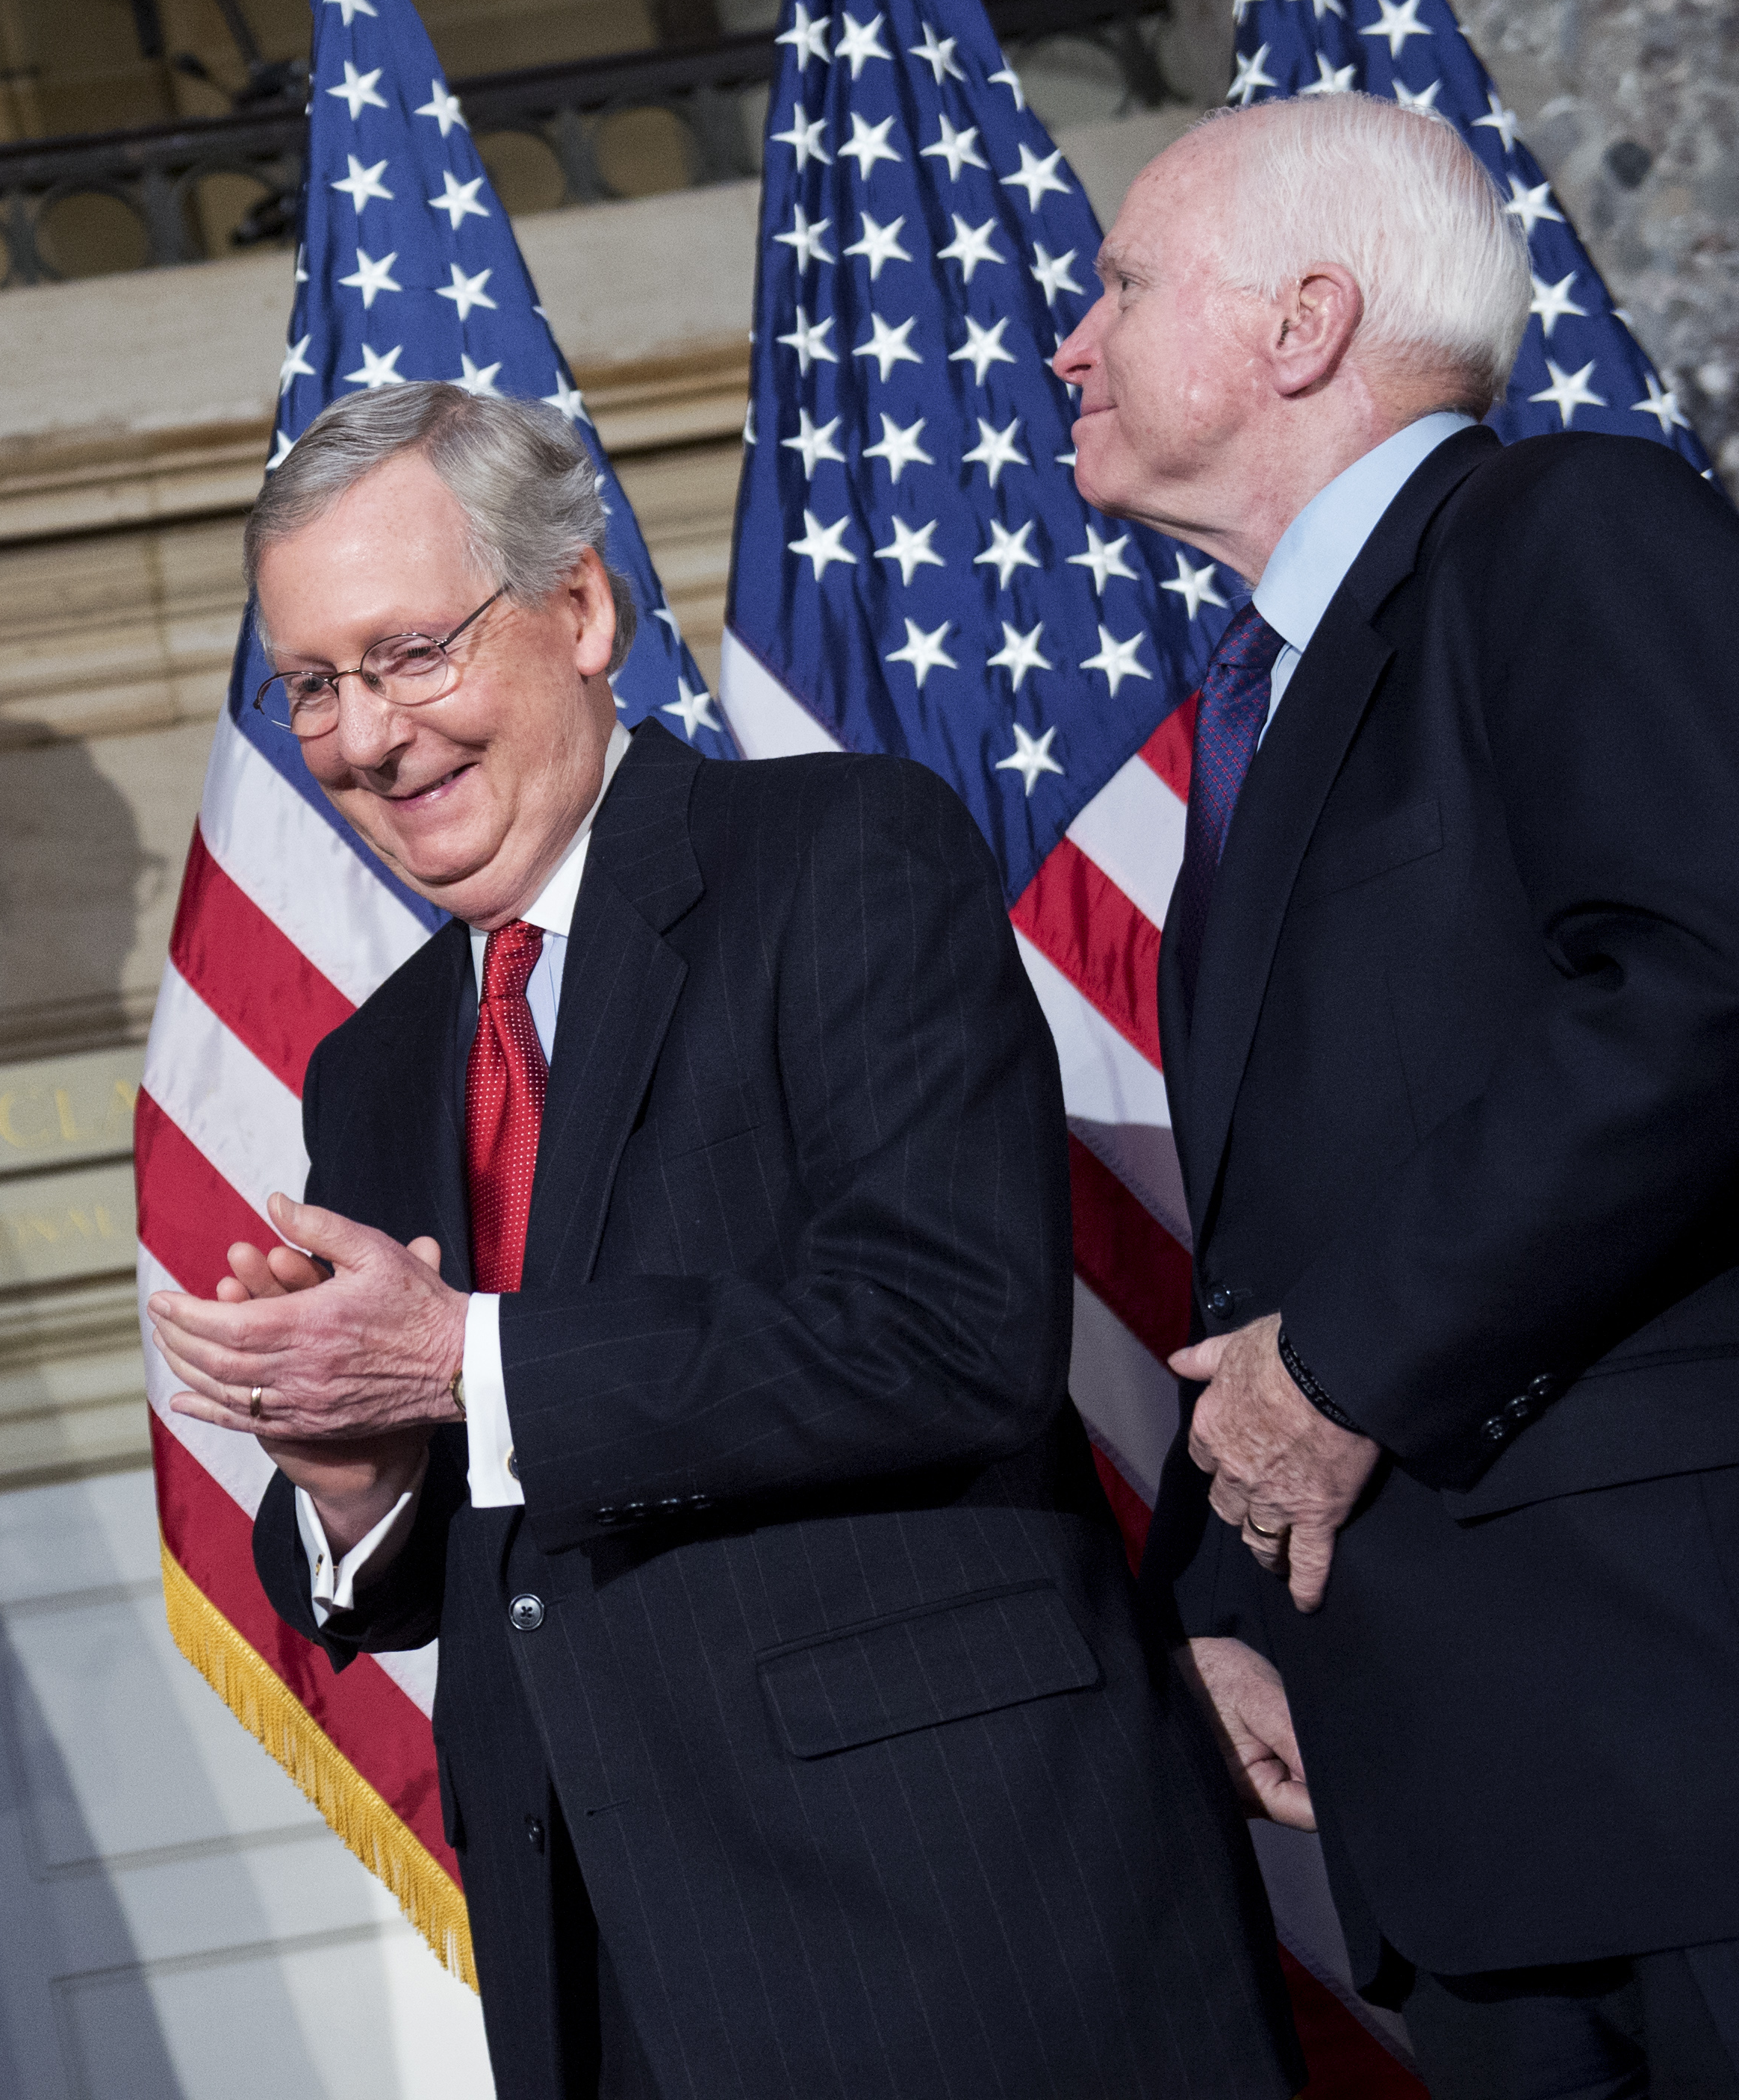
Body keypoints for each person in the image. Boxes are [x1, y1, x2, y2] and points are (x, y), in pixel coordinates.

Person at [146, 382, 1295, 2100]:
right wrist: (344, 1471)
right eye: (314, 684)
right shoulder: (371, 1067)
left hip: (963, 1926)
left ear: (585, 612)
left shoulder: (840, 854)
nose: (369, 737)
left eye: (410, 654)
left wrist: (459, 1358)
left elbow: (949, 1329)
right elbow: (437, 1544)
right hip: (608, 1982)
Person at [1057, 90, 1739, 2097]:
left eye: (1115, 286)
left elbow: (1702, 983)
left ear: (1300, 322)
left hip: (1679, 1743)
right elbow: (1299, 1208)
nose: (1064, 344)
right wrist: (1218, 1595)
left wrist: (1344, 1367)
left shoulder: (1565, 530)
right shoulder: (1254, 713)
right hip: (1454, 1814)